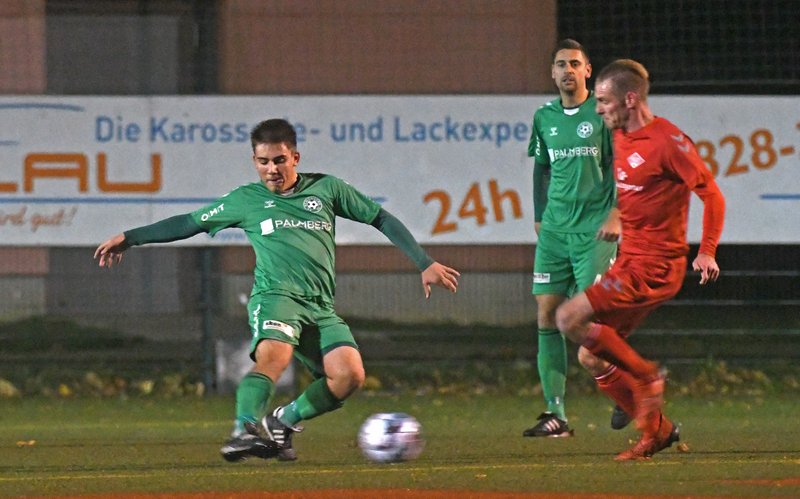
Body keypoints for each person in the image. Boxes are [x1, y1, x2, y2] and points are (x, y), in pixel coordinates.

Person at [94, 118, 460, 462]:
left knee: (349, 376)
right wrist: (130, 238)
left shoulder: (326, 189)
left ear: (295, 158)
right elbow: (189, 222)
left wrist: (424, 262)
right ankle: (243, 431)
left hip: (320, 306)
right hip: (275, 299)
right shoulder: (246, 199)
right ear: (254, 161)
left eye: (279, 160)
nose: (272, 169)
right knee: (274, 358)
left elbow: (380, 217)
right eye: (263, 161)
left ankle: (281, 423)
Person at [555, 59, 725, 460]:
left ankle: (647, 376)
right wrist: (615, 215)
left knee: (567, 318)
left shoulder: (668, 142)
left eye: (604, 101)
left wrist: (707, 251)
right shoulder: (619, 136)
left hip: (655, 266)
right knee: (590, 355)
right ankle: (658, 431)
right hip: (628, 261)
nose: (598, 108)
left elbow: (713, 196)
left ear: (629, 99)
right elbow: (633, 191)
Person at [523, 39, 624, 438]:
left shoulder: (601, 113)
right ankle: (556, 415)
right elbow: (540, 169)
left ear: (587, 71)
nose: (568, 70)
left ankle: (624, 385)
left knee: (588, 319)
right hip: (554, 230)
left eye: (575, 64)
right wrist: (538, 215)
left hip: (594, 231)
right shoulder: (544, 116)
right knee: (546, 315)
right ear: (552, 73)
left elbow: (620, 167)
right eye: (561, 64)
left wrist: (616, 213)